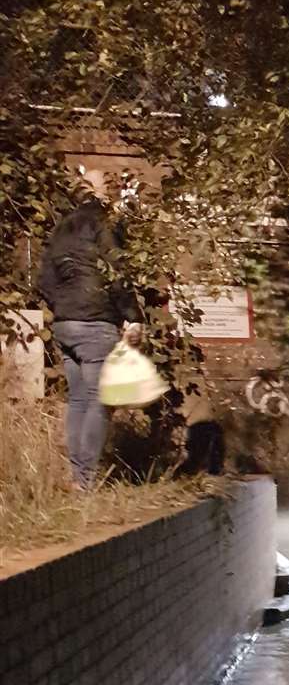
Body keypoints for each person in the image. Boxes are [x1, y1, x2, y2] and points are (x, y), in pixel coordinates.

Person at [37, 197, 143, 489]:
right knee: (100, 399)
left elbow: (43, 280)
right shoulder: (103, 226)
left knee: (78, 400)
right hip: (95, 325)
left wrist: (63, 306)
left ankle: (77, 475)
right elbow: (116, 273)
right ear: (105, 203)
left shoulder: (61, 229)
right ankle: (84, 480)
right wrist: (131, 316)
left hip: (64, 325)